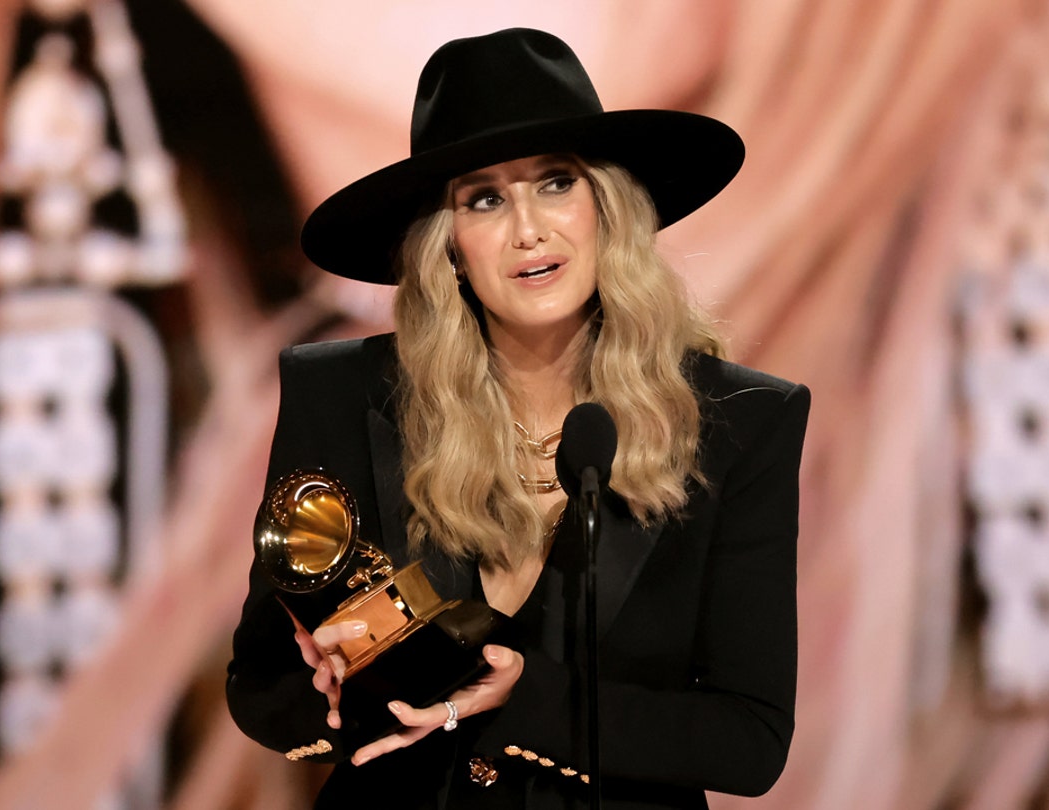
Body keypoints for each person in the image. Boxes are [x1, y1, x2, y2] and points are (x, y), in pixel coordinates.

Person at [226, 27, 809, 809]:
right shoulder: (343, 394)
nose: (528, 229)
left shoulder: (740, 421)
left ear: (608, 208)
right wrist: (335, 694)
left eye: (557, 183)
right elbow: (261, 684)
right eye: (486, 199)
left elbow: (749, 740)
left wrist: (529, 701)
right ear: (448, 244)